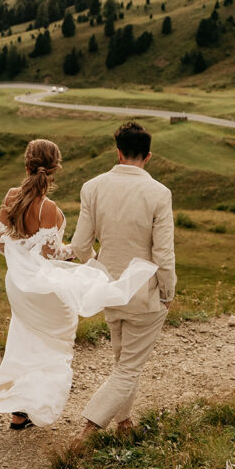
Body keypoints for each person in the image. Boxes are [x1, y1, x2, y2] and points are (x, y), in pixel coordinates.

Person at [0, 137, 157, 430]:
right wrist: (74, 250)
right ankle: (38, 404)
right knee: (53, 345)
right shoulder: (51, 210)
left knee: (24, 340)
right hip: (44, 289)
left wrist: (21, 252)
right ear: (55, 170)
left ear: (27, 164)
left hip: (18, 286)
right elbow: (52, 254)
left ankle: (19, 412)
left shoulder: (11, 197)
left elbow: (1, 242)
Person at [68, 120, 176, 451]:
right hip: (144, 296)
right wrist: (167, 292)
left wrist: (97, 267)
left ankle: (124, 423)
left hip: (109, 291)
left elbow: (80, 246)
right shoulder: (159, 193)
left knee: (121, 362)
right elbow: (163, 253)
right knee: (128, 368)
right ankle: (87, 429)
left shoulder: (92, 187)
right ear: (148, 156)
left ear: (117, 152)